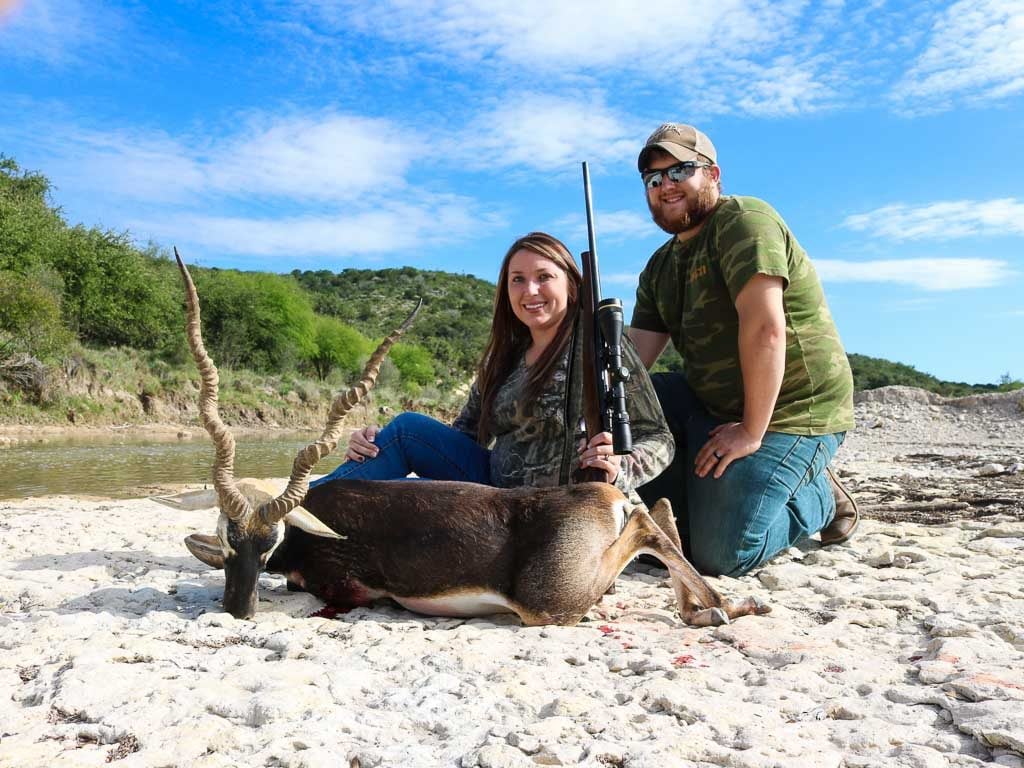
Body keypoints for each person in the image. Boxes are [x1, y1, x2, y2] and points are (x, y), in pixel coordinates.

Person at [628, 123, 858, 578]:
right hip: (717, 408)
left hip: (793, 411)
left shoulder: (745, 221)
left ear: (713, 174)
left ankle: (818, 497)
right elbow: (632, 364)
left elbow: (765, 329)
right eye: (654, 180)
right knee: (635, 406)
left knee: (721, 555)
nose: (665, 186)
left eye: (679, 171)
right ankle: (711, 499)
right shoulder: (659, 267)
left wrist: (752, 431)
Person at [311, 231, 673, 502]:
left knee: (390, 496)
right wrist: (377, 446)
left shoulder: (604, 345)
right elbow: (464, 437)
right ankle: (300, 503)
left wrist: (621, 468)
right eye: (518, 279)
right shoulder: (504, 356)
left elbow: (659, 438)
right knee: (404, 432)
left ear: (571, 285)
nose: (530, 290)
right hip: (493, 494)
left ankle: (299, 508)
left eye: (544, 276)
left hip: (564, 507)